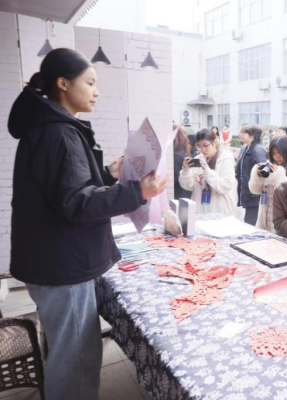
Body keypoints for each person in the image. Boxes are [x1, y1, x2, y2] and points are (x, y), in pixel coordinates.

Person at [7, 48, 168, 400]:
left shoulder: (49, 126)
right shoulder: (59, 133)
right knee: (77, 361)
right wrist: (138, 192)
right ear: (63, 84)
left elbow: (63, 189)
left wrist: (107, 173)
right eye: (90, 83)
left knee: (70, 352)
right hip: (61, 265)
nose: (96, 92)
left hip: (52, 259)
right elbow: (76, 203)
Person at [179, 128, 237, 216]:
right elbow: (188, 186)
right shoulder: (199, 159)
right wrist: (185, 170)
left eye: (205, 145)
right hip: (200, 211)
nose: (202, 149)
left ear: (215, 143)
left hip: (220, 212)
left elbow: (226, 186)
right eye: (199, 146)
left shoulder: (226, 159)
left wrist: (207, 170)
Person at [248, 136, 287, 232]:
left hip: (280, 224)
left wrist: (279, 175)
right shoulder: (269, 167)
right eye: (273, 153)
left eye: (279, 152)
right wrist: (257, 175)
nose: (277, 156)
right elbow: (254, 190)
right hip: (263, 222)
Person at [235, 124, 268, 225]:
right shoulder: (247, 147)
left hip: (254, 196)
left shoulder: (258, 150)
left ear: (252, 136)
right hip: (248, 193)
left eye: (243, 133)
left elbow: (264, 171)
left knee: (250, 224)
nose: (240, 135)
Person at [173, 124, 193, 199]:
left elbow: (174, 178)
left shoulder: (174, 155)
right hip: (186, 193)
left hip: (177, 194)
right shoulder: (185, 151)